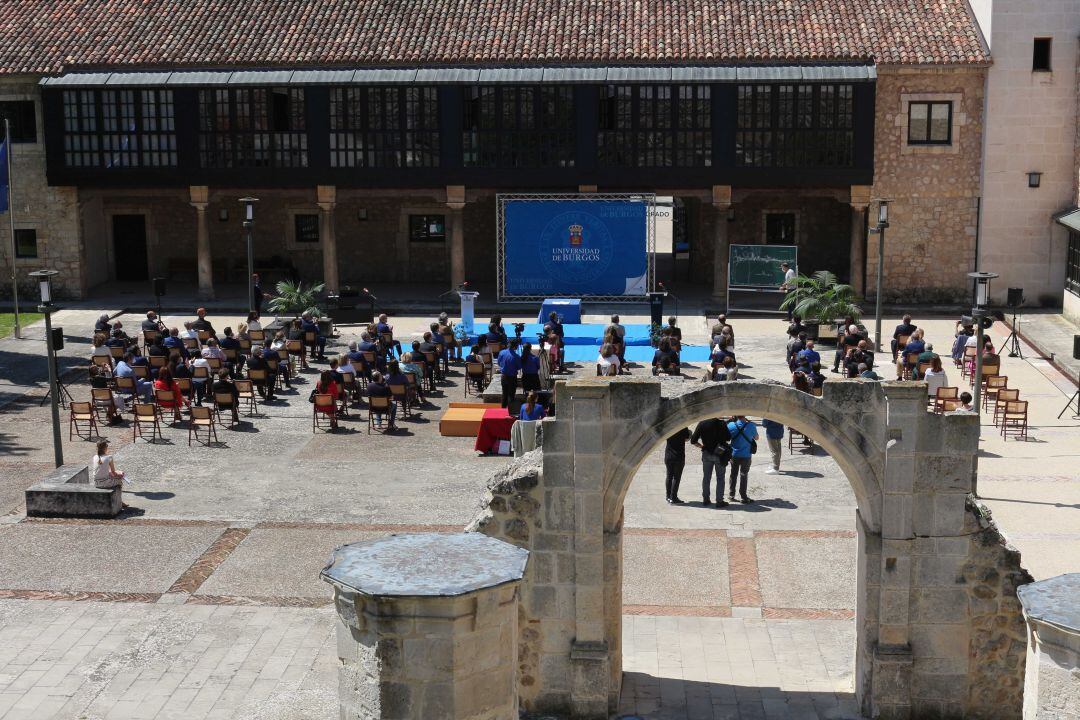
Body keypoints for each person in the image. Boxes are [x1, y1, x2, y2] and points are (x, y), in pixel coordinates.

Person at [690, 418, 731, 507]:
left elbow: (693, 440)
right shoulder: (722, 423)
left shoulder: (702, 423)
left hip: (707, 453)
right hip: (720, 454)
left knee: (706, 477)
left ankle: (706, 499)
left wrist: (701, 446)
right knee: (720, 478)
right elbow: (728, 438)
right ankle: (719, 501)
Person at [726, 415, 757, 503]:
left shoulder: (731, 425)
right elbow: (756, 438)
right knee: (744, 475)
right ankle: (743, 496)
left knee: (733, 474)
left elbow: (727, 438)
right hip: (746, 455)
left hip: (734, 454)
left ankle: (731, 494)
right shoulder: (751, 425)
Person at [91, 440, 130, 508]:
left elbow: (100, 470)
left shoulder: (95, 457)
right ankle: (120, 502)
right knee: (119, 482)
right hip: (105, 482)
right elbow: (114, 473)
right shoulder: (109, 457)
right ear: (105, 448)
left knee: (112, 477)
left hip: (96, 482)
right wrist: (121, 474)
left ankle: (120, 501)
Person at [664, 427, 691, 504]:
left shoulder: (669, 427)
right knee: (676, 477)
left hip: (668, 455)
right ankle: (673, 497)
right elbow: (687, 438)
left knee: (669, 476)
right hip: (679, 456)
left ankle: (668, 496)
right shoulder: (683, 427)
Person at [497, 339, 522, 408]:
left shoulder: (502, 352)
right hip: (512, 377)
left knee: (504, 394)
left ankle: (503, 410)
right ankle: (511, 410)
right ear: (515, 346)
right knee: (511, 395)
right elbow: (519, 367)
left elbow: (499, 363)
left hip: (504, 376)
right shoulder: (516, 357)